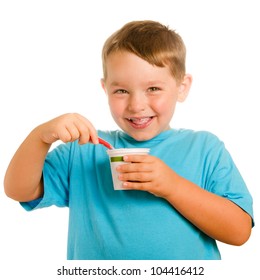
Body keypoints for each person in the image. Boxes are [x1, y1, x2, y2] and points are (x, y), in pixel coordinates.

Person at [4, 20, 254, 260]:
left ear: (182, 87)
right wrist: (40, 137)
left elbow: (239, 232)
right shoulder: (84, 149)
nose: (136, 105)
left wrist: (172, 186)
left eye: (153, 89)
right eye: (121, 91)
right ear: (105, 89)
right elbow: (18, 190)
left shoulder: (205, 149)